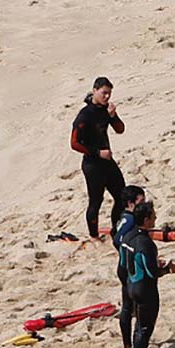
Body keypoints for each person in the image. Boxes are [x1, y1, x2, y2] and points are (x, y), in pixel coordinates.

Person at [120, 202, 175, 348]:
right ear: (146, 220)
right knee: (145, 327)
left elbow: (122, 264)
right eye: (153, 216)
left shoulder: (127, 236)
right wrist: (168, 268)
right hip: (145, 289)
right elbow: (152, 272)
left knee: (137, 322)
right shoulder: (146, 243)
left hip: (130, 285)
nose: (155, 219)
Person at [70, 77, 127, 239]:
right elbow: (74, 143)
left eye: (109, 93)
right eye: (104, 93)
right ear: (95, 91)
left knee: (121, 196)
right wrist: (97, 153)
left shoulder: (106, 110)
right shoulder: (84, 115)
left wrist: (113, 116)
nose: (107, 97)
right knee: (96, 201)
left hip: (107, 162)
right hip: (92, 165)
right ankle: (93, 236)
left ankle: (117, 229)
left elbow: (120, 129)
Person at [111, 185, 147, 348]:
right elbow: (117, 239)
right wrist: (129, 248)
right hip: (127, 267)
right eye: (141, 201)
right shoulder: (130, 219)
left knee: (128, 305)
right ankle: (129, 343)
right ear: (131, 203)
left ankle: (128, 343)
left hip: (124, 264)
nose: (144, 204)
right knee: (130, 306)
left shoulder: (125, 217)